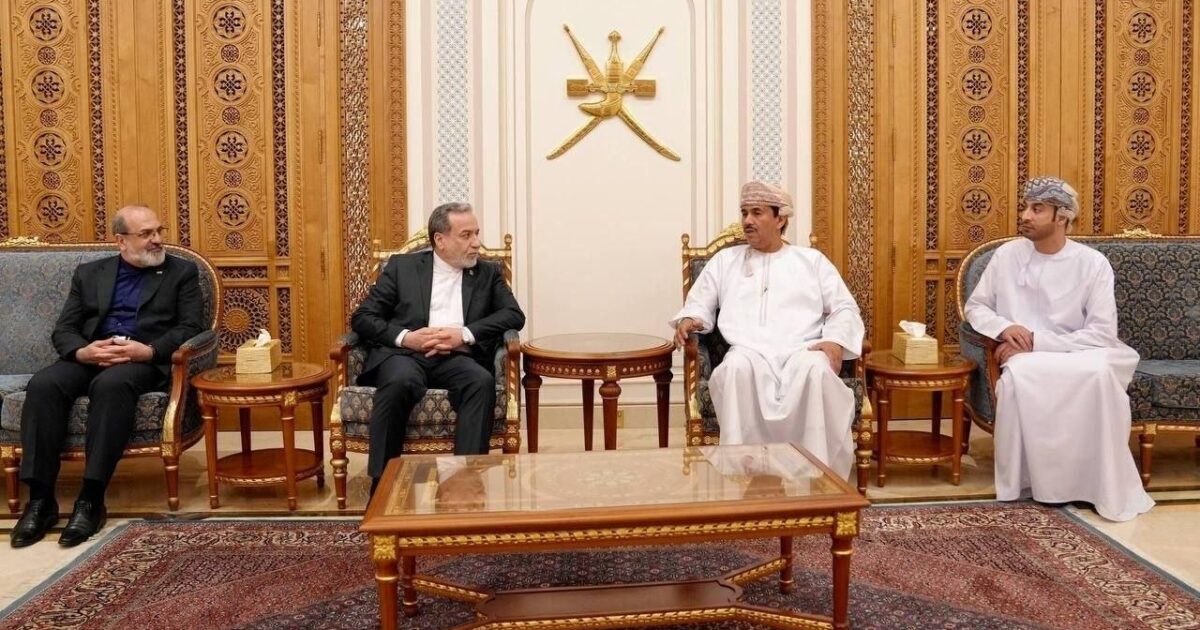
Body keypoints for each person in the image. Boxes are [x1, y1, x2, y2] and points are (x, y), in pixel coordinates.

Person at [964, 176, 1154, 521]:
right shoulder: (1006, 256)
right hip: (1023, 357)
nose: (1025, 215)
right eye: (1025, 207)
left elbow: (1102, 332)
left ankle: (1093, 485)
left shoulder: (1092, 263)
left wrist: (1037, 342)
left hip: (1081, 351)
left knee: (1099, 375)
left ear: (1062, 216)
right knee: (1020, 376)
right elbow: (976, 307)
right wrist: (1005, 328)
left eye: (1037, 209)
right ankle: (1035, 484)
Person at [13, 205, 204, 548]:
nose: (157, 239)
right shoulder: (90, 274)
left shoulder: (182, 272)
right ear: (121, 241)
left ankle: (91, 499)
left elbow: (191, 327)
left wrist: (149, 351)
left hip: (141, 359)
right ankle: (40, 501)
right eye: (146, 234)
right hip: (93, 354)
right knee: (43, 384)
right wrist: (82, 352)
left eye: (158, 231)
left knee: (111, 385)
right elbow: (64, 329)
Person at [671, 181, 864, 478]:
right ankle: (741, 473)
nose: (747, 221)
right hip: (749, 354)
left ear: (780, 218)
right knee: (733, 369)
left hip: (802, 351)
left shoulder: (811, 261)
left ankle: (816, 478)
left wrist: (835, 341)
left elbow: (845, 308)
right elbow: (699, 302)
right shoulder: (725, 261)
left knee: (817, 371)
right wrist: (690, 319)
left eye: (756, 212)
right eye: (744, 213)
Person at [352, 202, 525, 495]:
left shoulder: (487, 273)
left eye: (476, 233)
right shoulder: (402, 268)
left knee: (480, 381)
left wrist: (464, 335)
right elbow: (363, 318)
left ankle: (462, 485)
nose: (476, 243)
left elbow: (513, 315)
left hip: (457, 356)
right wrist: (407, 337)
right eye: (466, 235)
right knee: (398, 382)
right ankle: (383, 489)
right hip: (405, 355)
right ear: (440, 240)